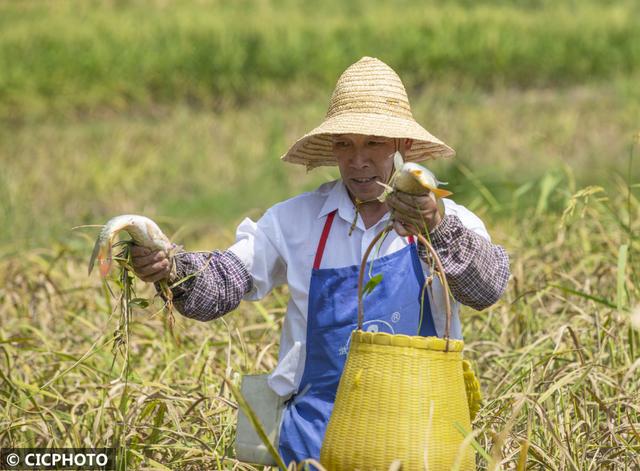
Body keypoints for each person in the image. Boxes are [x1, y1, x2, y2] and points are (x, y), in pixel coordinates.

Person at [131, 56, 510, 463]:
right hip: (315, 445)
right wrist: (173, 269)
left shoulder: (449, 222)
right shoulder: (295, 221)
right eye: (345, 144)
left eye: (374, 143)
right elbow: (224, 282)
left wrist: (435, 228)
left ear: (403, 148)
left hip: (420, 438)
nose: (357, 160)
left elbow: (487, 287)